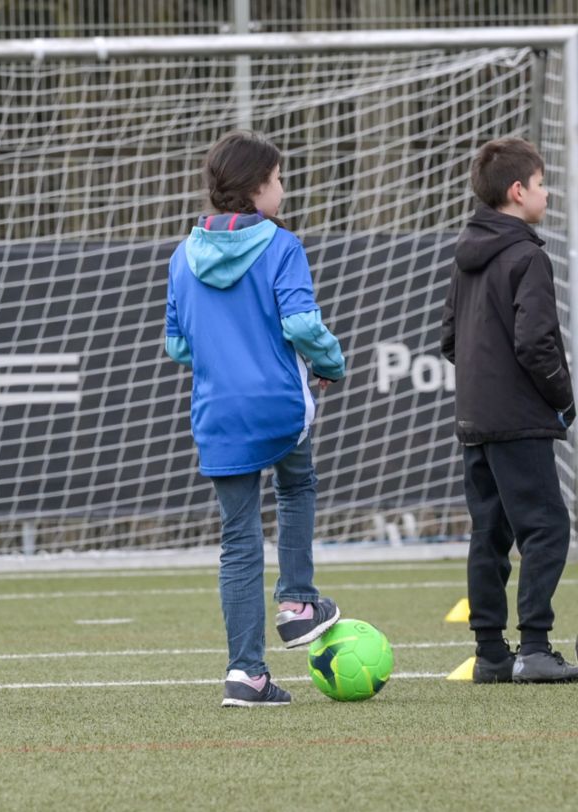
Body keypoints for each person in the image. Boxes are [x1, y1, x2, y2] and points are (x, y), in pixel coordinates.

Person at [164, 131, 345, 707]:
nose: (284, 188)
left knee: (237, 541)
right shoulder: (282, 245)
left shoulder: (181, 256)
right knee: (297, 486)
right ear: (256, 189)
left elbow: (178, 346)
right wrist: (330, 363)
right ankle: (296, 602)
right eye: (279, 179)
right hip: (276, 404)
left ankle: (246, 674)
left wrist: (223, 351)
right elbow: (300, 326)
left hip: (218, 412)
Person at [440, 137, 578, 684]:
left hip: (475, 419)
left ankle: (491, 655)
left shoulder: (466, 257)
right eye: (543, 184)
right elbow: (536, 343)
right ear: (519, 192)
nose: (548, 193)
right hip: (519, 418)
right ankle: (537, 649)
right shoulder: (528, 256)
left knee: (489, 532)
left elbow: (449, 339)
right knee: (546, 527)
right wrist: (563, 399)